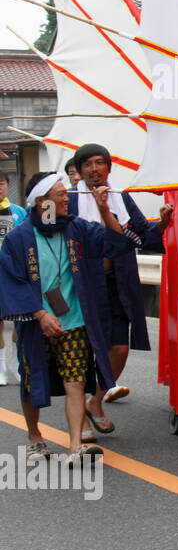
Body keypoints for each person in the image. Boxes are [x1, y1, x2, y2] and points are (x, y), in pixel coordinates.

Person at [0, 173, 130, 462]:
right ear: (42, 202)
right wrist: (40, 313)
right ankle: (35, 436)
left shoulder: (77, 229)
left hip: (74, 323)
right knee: (31, 383)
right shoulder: (19, 239)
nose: (66, 199)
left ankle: (75, 446)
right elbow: (13, 281)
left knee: (76, 383)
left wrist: (104, 209)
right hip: (36, 325)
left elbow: (116, 244)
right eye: (60, 194)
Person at [72, 143, 172, 434]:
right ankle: (78, 424)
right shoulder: (71, 201)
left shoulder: (121, 198)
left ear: (109, 168)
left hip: (119, 284)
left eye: (100, 163)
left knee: (119, 348)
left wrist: (163, 224)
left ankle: (96, 400)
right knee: (83, 351)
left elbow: (143, 236)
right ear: (79, 172)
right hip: (84, 287)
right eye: (88, 164)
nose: (95, 169)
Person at [0, 172, 28, 386]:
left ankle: (16, 364)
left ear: (7, 186)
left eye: (1, 184)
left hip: (16, 274)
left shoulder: (19, 212)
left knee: (20, 323)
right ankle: (0, 369)